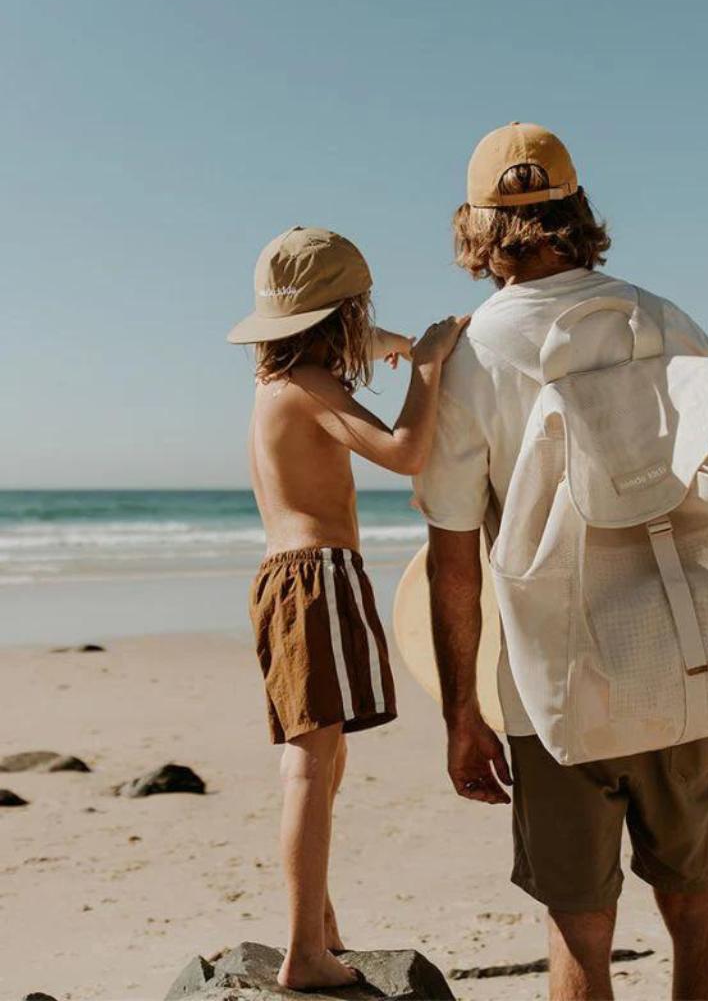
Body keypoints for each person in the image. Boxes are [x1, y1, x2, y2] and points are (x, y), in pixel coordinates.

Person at [414, 125, 708, 1001]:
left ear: (477, 227)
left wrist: (463, 714)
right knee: (699, 906)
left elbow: (454, 561)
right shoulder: (665, 320)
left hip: (555, 685)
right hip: (684, 656)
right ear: (576, 212)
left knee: (580, 929)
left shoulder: (467, 357)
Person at [227, 225, 467, 991]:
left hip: (284, 577)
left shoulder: (277, 382)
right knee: (311, 765)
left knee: (324, 762)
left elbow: (343, 357)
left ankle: (319, 925)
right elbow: (405, 453)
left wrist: (387, 342)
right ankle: (304, 951)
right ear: (342, 319)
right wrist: (425, 370)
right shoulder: (317, 390)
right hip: (318, 577)